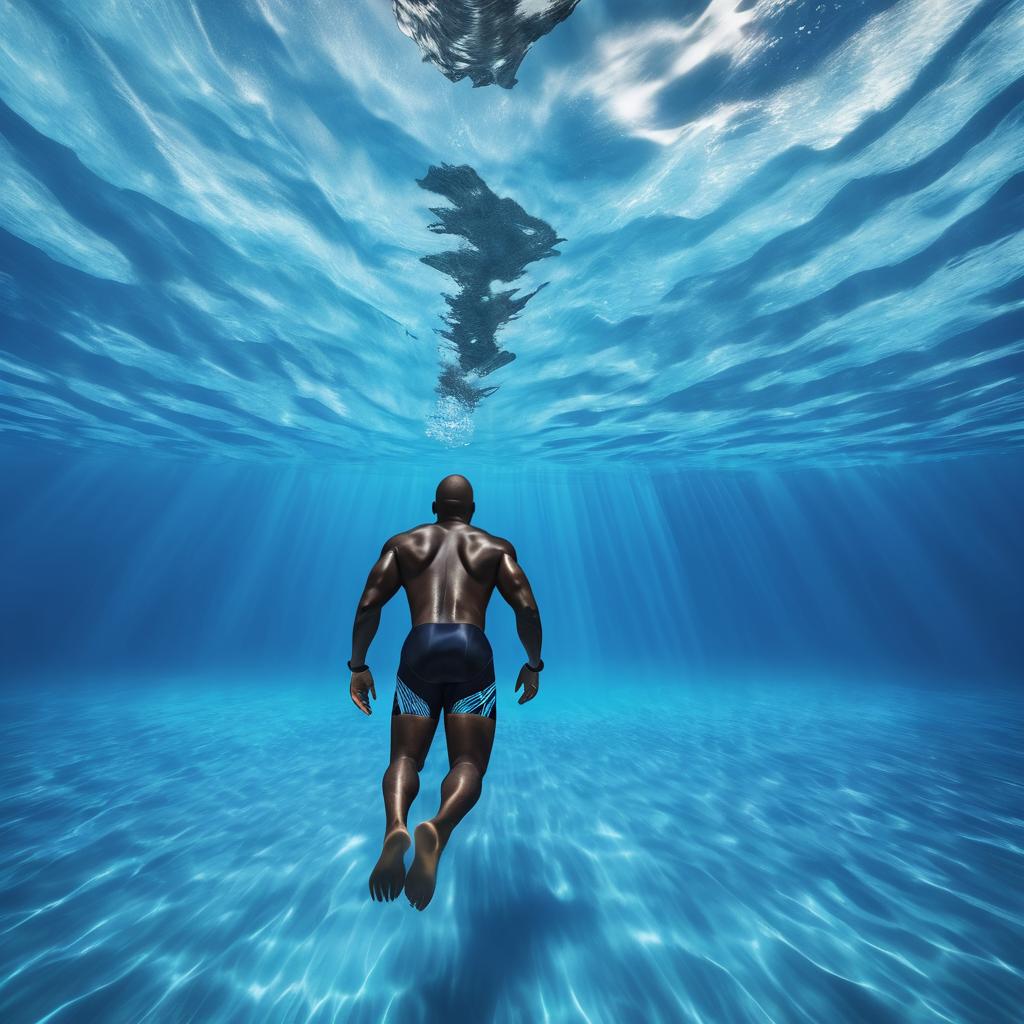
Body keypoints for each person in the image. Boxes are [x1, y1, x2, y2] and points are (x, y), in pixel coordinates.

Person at [347, 474, 544, 910]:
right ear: (473, 509)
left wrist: (358, 666)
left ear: (434, 506)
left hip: (420, 649)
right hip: (471, 650)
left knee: (403, 758)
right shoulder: (494, 548)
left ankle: (395, 825)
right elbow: (527, 609)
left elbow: (367, 606)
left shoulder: (404, 544)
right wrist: (533, 665)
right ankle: (438, 828)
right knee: (469, 762)